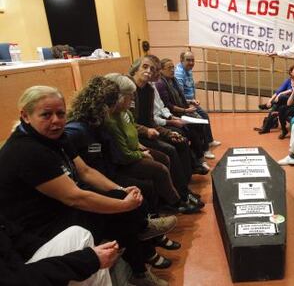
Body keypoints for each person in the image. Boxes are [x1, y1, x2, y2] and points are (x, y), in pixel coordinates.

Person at [0, 85, 175, 286]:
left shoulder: (57, 137)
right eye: (46, 115)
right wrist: (124, 205)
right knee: (119, 214)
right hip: (36, 231)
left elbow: (85, 171)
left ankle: (140, 259)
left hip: (55, 210)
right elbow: (74, 197)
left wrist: (120, 190)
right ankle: (141, 256)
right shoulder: (27, 151)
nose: (56, 120)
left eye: (60, 113)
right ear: (26, 116)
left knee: (120, 201)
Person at [66, 76, 181, 253]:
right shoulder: (78, 131)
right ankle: (146, 251)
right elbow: (87, 172)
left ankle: (152, 234)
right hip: (98, 180)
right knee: (141, 190)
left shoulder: (102, 122)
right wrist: (120, 190)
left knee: (146, 184)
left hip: (107, 173)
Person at [103, 73, 202, 214]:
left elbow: (136, 131)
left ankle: (180, 192)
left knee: (167, 155)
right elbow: (123, 153)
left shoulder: (127, 112)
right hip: (128, 157)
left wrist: (141, 146)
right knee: (161, 166)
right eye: (130, 96)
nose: (132, 100)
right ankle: (175, 201)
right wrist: (141, 153)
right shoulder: (111, 120)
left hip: (139, 145)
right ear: (119, 97)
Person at [0, 214, 115, 286]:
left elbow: (20, 239)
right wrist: (88, 260)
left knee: (77, 235)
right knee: (80, 236)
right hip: (17, 277)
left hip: (20, 266)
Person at [157, 58, 211, 167]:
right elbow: (169, 106)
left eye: (173, 67)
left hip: (181, 111)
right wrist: (185, 111)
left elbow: (180, 98)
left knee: (202, 121)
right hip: (175, 114)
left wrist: (190, 101)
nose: (172, 70)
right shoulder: (161, 84)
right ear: (161, 70)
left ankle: (201, 153)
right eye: (169, 68)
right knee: (194, 129)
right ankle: (199, 158)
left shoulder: (173, 80)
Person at [175, 51, 221, 159]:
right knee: (201, 120)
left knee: (205, 115)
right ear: (182, 60)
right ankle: (205, 149)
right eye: (188, 60)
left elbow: (191, 87)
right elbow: (179, 96)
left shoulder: (188, 70)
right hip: (185, 104)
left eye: (192, 60)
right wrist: (190, 102)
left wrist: (194, 100)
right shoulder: (179, 74)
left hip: (191, 102)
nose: (191, 63)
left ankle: (209, 141)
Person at [254, 65, 294, 134]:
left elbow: (291, 90)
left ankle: (266, 125)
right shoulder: (288, 81)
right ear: (291, 72)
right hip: (284, 102)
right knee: (277, 105)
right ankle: (266, 127)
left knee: (281, 97)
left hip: (293, 101)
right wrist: (270, 100)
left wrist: (280, 94)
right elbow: (278, 91)